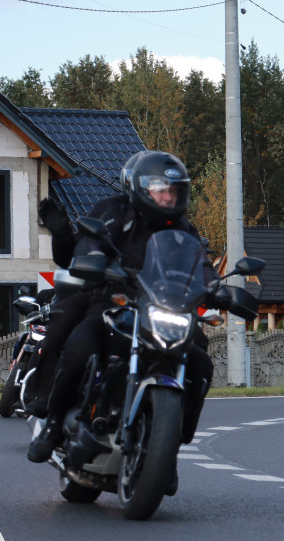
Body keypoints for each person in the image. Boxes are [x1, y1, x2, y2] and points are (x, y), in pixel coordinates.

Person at [27, 151, 217, 467]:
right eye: (160, 189)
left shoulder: (184, 231)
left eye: (173, 191)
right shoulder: (113, 212)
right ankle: (53, 423)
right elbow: (88, 246)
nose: (168, 197)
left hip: (162, 310)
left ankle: (168, 447)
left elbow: (203, 266)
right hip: (112, 302)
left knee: (200, 362)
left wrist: (218, 288)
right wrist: (94, 260)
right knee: (80, 344)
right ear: (139, 187)